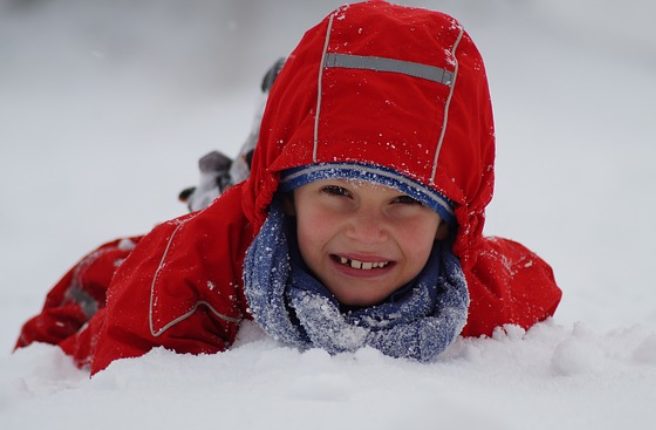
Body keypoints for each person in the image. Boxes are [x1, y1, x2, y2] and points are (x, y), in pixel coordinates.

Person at [15, 0, 562, 374]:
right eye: (337, 193)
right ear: (287, 199)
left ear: (450, 223)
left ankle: (284, 150)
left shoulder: (472, 294)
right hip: (224, 236)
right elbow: (123, 394)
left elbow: (536, 283)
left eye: (405, 202)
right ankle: (252, 171)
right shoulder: (184, 275)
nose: (367, 230)